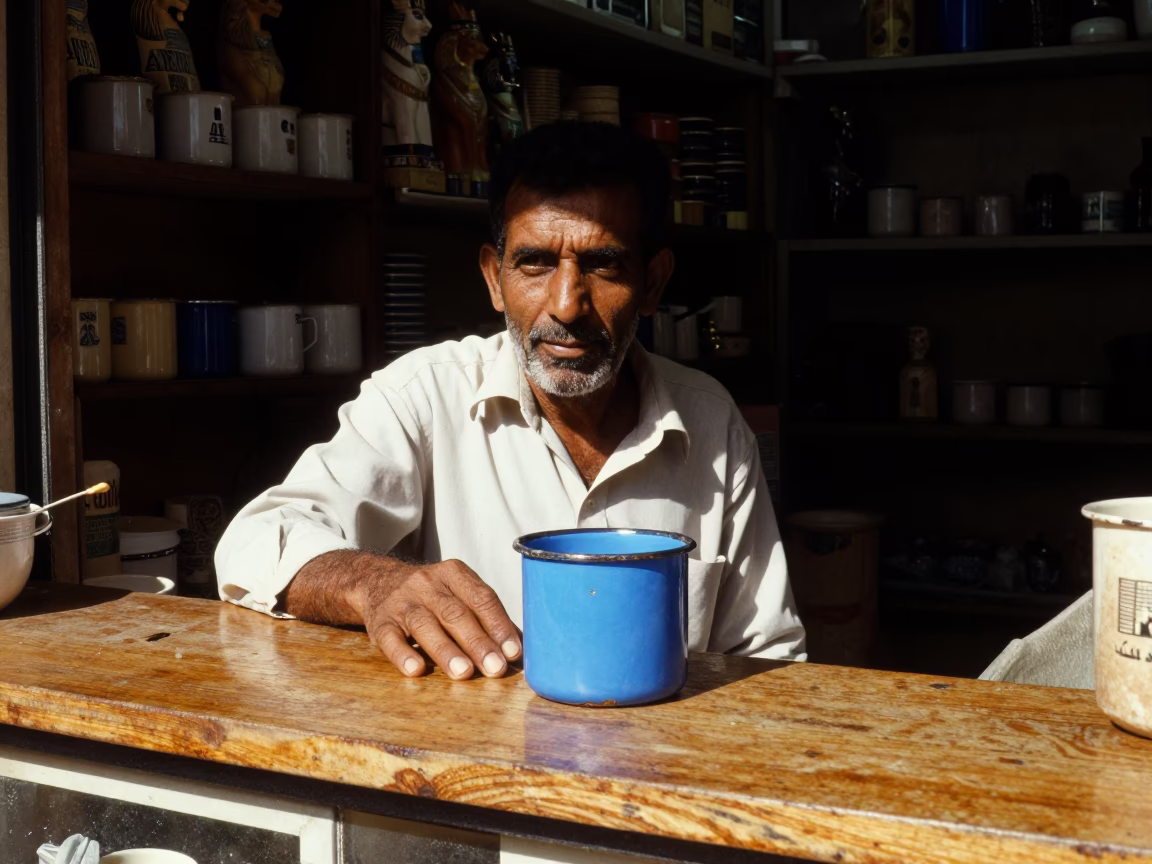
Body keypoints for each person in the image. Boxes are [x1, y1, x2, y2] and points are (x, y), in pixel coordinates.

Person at [215, 122, 805, 680]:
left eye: (603, 265)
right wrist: (375, 584)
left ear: (652, 283)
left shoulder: (710, 421)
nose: (567, 305)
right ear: (494, 278)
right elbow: (257, 540)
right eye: (535, 263)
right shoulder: (424, 396)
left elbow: (767, 657)